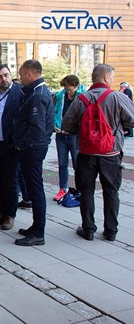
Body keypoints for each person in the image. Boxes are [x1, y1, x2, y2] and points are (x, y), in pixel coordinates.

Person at [62, 64, 134, 241]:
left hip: (86, 153)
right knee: (111, 191)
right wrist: (117, 127)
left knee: (86, 190)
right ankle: (111, 231)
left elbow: (66, 126)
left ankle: (88, 229)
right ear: (107, 78)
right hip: (110, 153)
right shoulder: (117, 97)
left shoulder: (81, 99)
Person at [13, 59, 54, 246]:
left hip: (33, 149)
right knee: (33, 187)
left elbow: (37, 128)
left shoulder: (38, 94)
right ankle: (36, 227)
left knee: (35, 189)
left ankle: (38, 232)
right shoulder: (38, 91)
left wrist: (21, 145)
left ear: (30, 74)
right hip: (34, 147)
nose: (20, 78)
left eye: (22, 75)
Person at [0, 64, 22, 230]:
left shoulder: (19, 93)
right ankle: (2, 211)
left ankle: (10, 215)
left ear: (10, 74)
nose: (4, 79)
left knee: (11, 181)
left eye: (6, 75)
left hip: (11, 146)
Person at [53, 75, 86, 201]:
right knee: (62, 163)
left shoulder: (82, 97)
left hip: (74, 135)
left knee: (77, 163)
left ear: (76, 85)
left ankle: (80, 189)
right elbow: (55, 112)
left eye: (70, 88)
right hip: (61, 134)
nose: (68, 91)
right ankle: (63, 188)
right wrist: (54, 124)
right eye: (66, 88)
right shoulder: (60, 96)